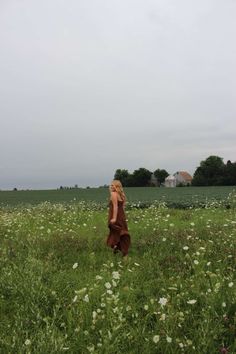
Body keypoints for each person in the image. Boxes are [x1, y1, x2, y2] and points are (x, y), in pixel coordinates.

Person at [106, 180, 131, 256]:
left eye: (113, 185)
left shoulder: (113, 194)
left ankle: (119, 251)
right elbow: (122, 207)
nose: (111, 186)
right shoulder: (121, 195)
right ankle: (119, 251)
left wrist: (114, 218)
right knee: (121, 233)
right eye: (111, 185)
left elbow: (116, 207)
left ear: (117, 186)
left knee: (116, 233)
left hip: (116, 216)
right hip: (121, 216)